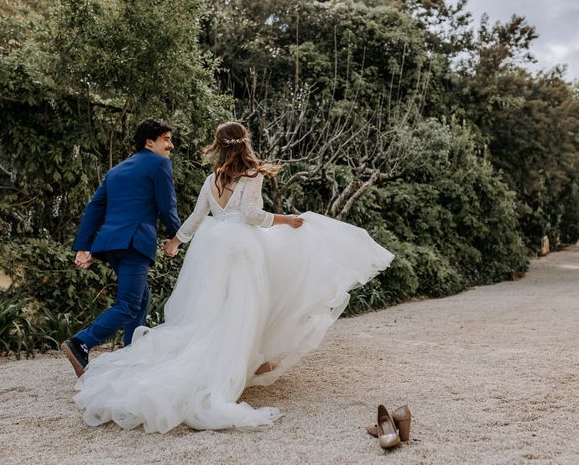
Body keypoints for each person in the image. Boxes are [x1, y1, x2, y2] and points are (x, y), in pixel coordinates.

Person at [73, 121, 394, 433]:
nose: (169, 144)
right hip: (241, 248)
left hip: (210, 247)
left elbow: (195, 219)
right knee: (240, 309)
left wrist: (175, 242)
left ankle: (242, 363)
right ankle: (235, 367)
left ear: (220, 147)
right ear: (244, 144)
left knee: (209, 312)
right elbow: (252, 216)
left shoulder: (210, 179)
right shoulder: (250, 176)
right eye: (166, 139)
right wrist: (287, 220)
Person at [61, 118, 182, 378]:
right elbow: (167, 207)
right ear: (150, 142)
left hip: (110, 245)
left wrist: (84, 247)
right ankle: (81, 342)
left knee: (141, 298)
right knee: (128, 303)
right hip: (134, 242)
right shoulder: (160, 163)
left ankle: (132, 355)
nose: (170, 145)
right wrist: (179, 237)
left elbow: (94, 207)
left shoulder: (116, 170)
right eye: (167, 139)